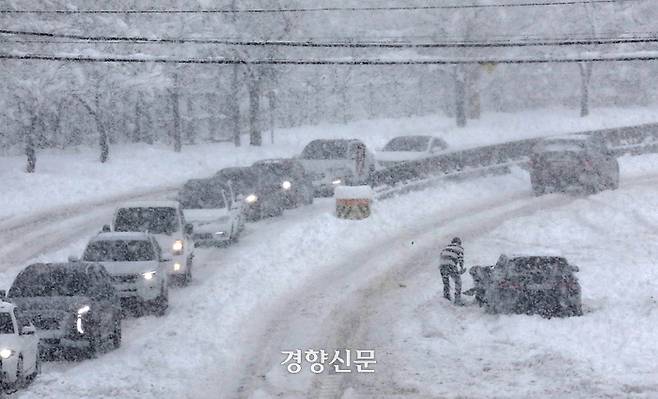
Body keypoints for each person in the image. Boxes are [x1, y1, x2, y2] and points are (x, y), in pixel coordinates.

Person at [440, 237, 465, 305]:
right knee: (458, 282)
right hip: (450, 265)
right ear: (459, 243)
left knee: (446, 282)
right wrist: (461, 268)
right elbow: (460, 259)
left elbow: (441, 255)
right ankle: (457, 300)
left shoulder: (446, 247)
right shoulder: (459, 248)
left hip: (442, 265)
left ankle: (446, 297)